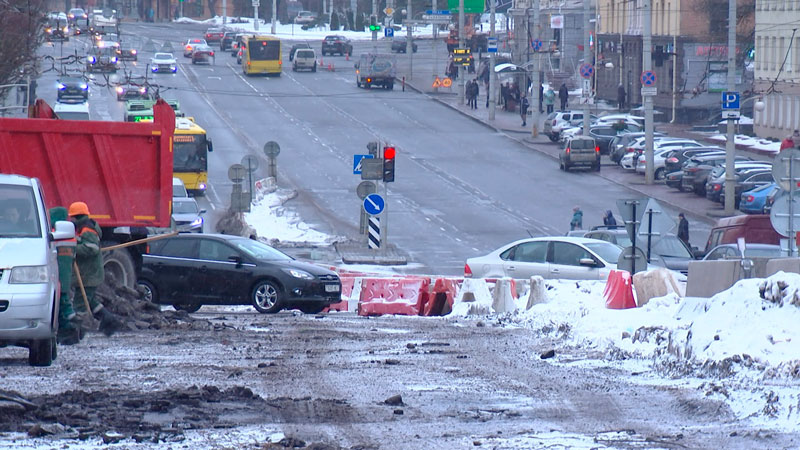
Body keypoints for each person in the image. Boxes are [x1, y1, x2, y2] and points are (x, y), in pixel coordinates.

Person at [68, 201, 122, 337]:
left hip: (89, 274)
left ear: (76, 217)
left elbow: (91, 249)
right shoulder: (85, 228)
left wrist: (72, 248)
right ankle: (109, 320)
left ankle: (76, 331)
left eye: (72, 217)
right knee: (90, 301)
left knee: (79, 304)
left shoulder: (87, 229)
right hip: (90, 273)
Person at [50, 207, 80, 345]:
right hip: (65, 275)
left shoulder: (55, 235)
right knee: (64, 303)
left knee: (62, 304)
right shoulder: (71, 236)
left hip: (57, 276)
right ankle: (69, 329)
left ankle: (71, 330)